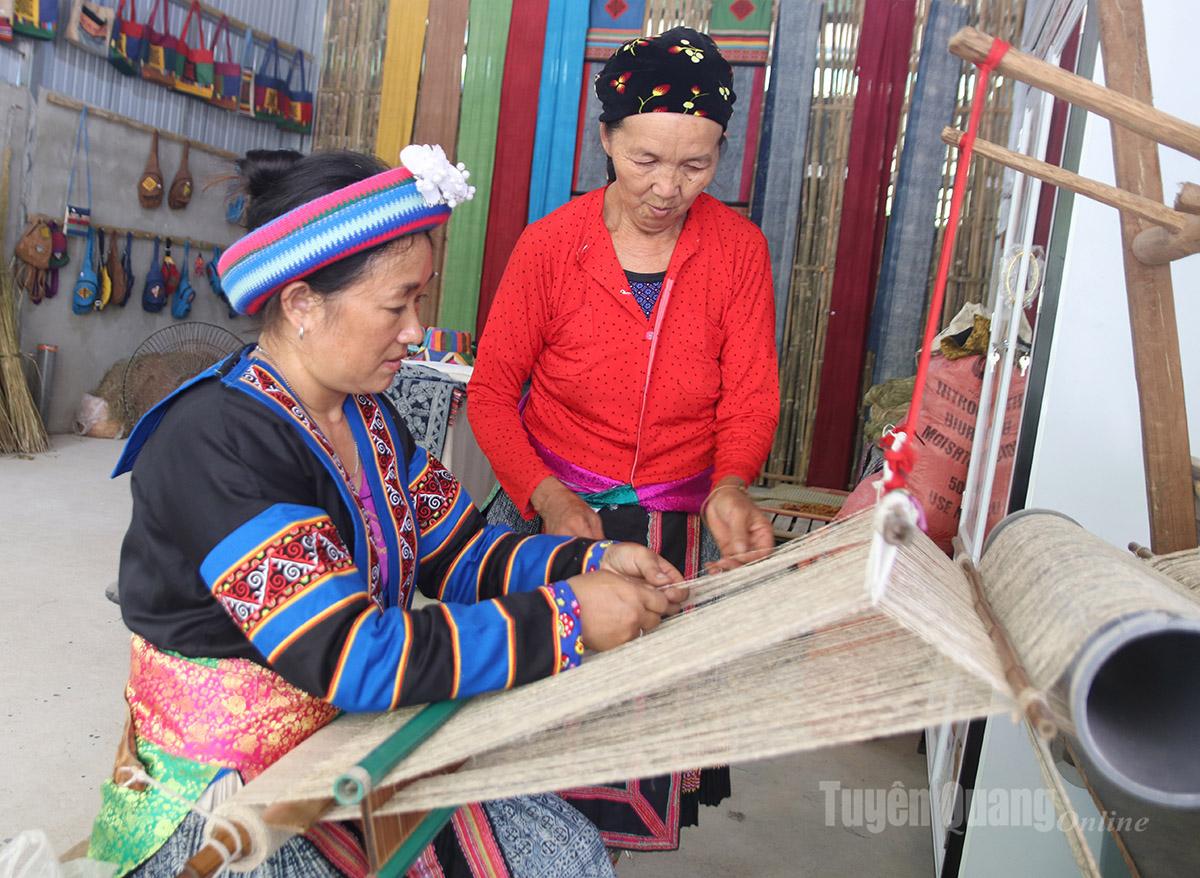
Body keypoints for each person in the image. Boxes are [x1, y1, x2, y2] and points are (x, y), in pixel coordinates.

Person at [86, 146, 689, 878]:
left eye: (420, 302)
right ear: (302, 302)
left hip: (345, 741)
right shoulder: (215, 442)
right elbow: (351, 657)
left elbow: (465, 553)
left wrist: (589, 562)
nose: (415, 331)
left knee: (563, 855)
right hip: (229, 800)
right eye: (396, 304)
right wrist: (565, 618)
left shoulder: (367, 418)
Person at [469, 27, 780, 857]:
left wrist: (730, 484)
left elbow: (749, 396)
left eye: (696, 164)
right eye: (645, 159)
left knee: (633, 741)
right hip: (555, 520)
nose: (668, 188)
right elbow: (494, 395)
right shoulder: (549, 248)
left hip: (676, 534)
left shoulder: (738, 252)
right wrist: (549, 497)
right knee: (535, 733)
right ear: (605, 137)